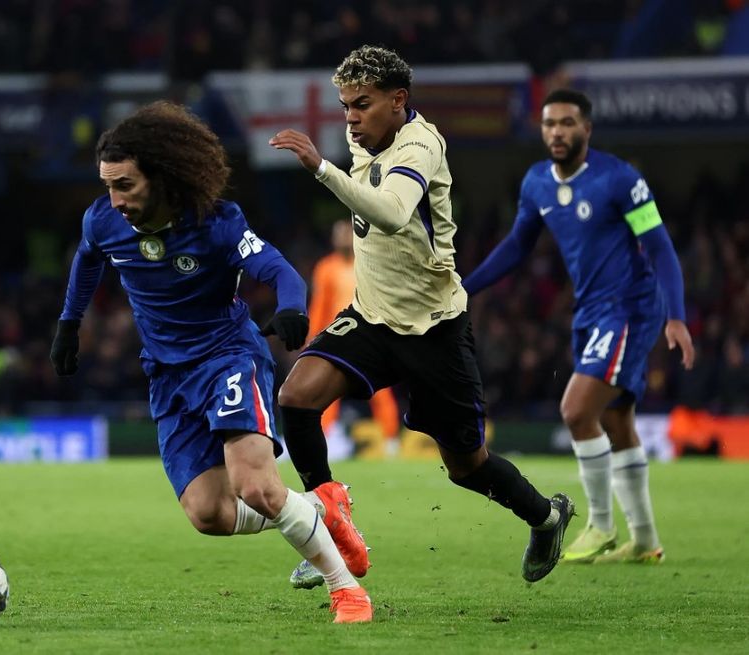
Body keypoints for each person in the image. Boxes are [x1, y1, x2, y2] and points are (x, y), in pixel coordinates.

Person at [50, 101, 372, 623]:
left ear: (161, 175)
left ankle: (346, 592)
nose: (115, 200)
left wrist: (292, 308)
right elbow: (88, 257)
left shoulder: (217, 222)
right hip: (167, 374)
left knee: (256, 486)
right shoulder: (104, 220)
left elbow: (280, 270)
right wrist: (69, 321)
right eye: (108, 186)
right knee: (209, 513)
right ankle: (321, 507)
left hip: (227, 359)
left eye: (125, 185)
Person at [268, 44, 574, 589]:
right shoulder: (363, 137)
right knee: (296, 397)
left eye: (362, 104)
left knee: (467, 467)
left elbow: (390, 214)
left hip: (433, 329)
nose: (350, 118)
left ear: (398, 100)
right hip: (371, 316)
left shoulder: (420, 145)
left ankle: (547, 517)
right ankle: (331, 535)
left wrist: (320, 168)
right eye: (345, 107)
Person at [463, 88, 695, 564]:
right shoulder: (537, 182)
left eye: (568, 123)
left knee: (575, 410)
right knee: (615, 419)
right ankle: (645, 540)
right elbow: (517, 245)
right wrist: (466, 287)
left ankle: (600, 525)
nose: (558, 132)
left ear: (586, 128)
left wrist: (677, 316)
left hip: (628, 308)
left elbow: (659, 246)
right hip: (589, 311)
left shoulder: (620, 179)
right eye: (550, 123)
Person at [307, 219, 401, 452]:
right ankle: (326, 437)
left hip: (369, 336)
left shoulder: (369, 263)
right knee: (328, 390)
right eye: (339, 234)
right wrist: (311, 337)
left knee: (380, 389)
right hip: (336, 338)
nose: (343, 237)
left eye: (347, 233)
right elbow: (320, 306)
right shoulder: (326, 268)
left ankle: (391, 440)